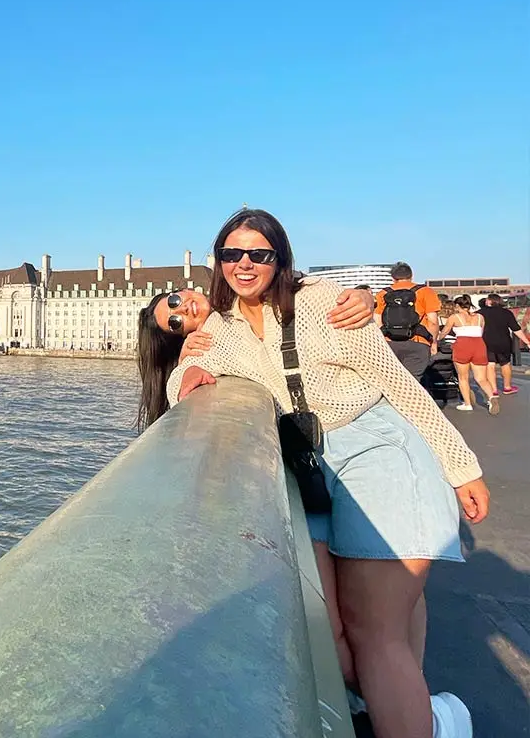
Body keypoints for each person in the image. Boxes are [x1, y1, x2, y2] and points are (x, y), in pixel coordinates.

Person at [164, 210, 488, 738]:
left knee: (374, 633)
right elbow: (188, 371)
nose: (244, 265)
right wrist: (188, 374)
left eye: (259, 255)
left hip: (374, 445)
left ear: (279, 258)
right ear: (216, 261)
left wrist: (460, 466)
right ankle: (429, 716)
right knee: (328, 632)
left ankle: (421, 719)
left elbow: (397, 384)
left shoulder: (323, 302)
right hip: (308, 465)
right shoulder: (220, 326)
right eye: (232, 255)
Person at [136, 283, 377, 430]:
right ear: (183, 335)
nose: (183, 309)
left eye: (175, 301)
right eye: (176, 321)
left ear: (183, 290)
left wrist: (365, 295)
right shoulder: (206, 342)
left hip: (366, 409)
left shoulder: (245, 295)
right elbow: (184, 375)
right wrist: (186, 366)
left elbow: (303, 288)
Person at [374, 263, 441, 383]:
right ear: (411, 276)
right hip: (418, 342)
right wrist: (434, 342)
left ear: (393, 278)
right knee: (413, 383)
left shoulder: (382, 294)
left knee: (392, 382)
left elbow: (378, 321)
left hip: (390, 344)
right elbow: (433, 321)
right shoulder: (425, 291)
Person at [437, 296, 497, 413]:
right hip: (479, 346)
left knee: (463, 377)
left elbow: (444, 332)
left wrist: (436, 339)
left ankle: (467, 404)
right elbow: (481, 332)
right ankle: (492, 397)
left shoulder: (455, 317)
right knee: (481, 378)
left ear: (457, 306)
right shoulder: (480, 317)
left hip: (463, 346)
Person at [481, 292, 530, 395]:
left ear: (490, 301)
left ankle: (493, 390)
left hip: (486, 342)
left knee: (490, 365)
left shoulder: (480, 313)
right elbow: (516, 329)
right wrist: (527, 342)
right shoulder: (506, 313)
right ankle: (507, 387)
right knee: (505, 364)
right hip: (504, 342)